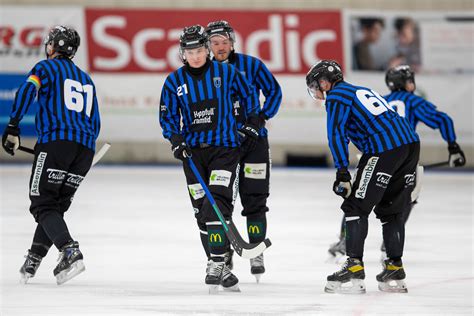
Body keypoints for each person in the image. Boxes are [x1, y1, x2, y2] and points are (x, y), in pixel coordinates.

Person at [328, 65, 466, 261]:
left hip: (374, 151)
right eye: (409, 80)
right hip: (404, 152)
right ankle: (391, 252)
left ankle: (345, 240)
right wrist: (453, 147)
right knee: (400, 203)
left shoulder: (380, 98)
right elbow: (443, 120)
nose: (412, 83)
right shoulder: (413, 101)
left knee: (356, 200)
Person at [159, 25, 260, 293]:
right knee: (201, 212)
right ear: (183, 53)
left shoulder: (226, 72)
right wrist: (175, 140)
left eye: (200, 50)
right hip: (193, 154)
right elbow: (167, 115)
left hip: (224, 150)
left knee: (216, 202)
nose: (195, 56)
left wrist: (252, 123)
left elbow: (250, 97)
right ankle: (220, 265)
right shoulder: (174, 82)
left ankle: (217, 260)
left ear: (207, 50)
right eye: (189, 51)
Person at [306, 60, 420, 294]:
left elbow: (336, 135)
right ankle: (394, 267)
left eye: (316, 86)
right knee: (392, 210)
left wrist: (341, 172)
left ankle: (354, 266)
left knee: (355, 206)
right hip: (409, 145)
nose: (317, 91)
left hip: (383, 148)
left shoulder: (336, 96)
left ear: (325, 82)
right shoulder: (361, 90)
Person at [2, 25, 101, 285]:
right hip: (85, 149)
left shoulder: (44, 68)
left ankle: (69, 249)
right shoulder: (86, 78)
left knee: (42, 202)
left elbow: (26, 91)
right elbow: (96, 122)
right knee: (55, 205)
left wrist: (13, 126)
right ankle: (34, 257)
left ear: (51, 46)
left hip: (57, 143)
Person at [205, 20, 282, 282]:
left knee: (255, 198)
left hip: (254, 143)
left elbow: (274, 91)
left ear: (232, 43)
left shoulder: (251, 65)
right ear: (208, 45)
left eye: (225, 42)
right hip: (222, 144)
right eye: (215, 43)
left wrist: (260, 118)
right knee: (220, 198)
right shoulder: (202, 70)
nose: (220, 47)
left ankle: (256, 249)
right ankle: (223, 253)